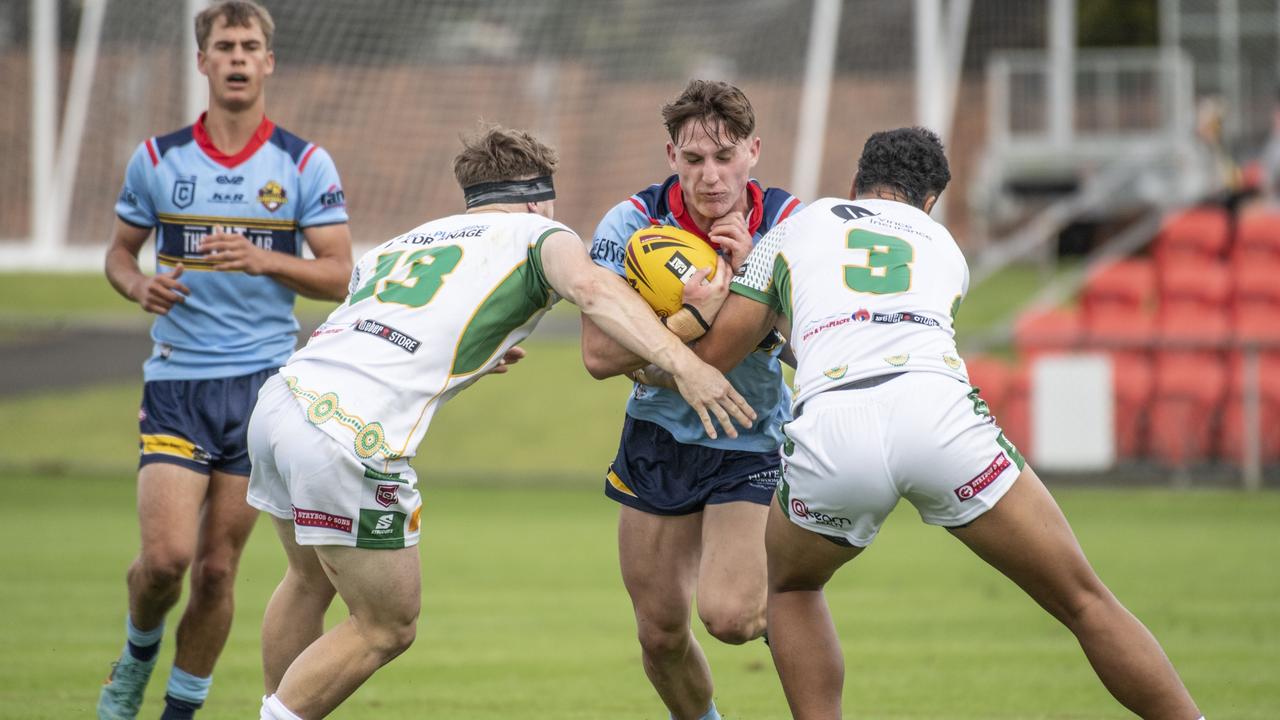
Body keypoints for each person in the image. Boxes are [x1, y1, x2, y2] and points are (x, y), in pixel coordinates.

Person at [665, 126, 1203, 719]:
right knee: (1084, 600)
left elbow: (715, 359)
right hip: (938, 413)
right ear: (929, 202)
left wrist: (713, 300)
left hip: (835, 423)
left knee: (792, 587)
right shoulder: (946, 247)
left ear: (855, 183)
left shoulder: (793, 228)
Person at [245, 124, 755, 720]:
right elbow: (593, 291)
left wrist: (473, 358)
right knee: (386, 625)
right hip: (349, 433)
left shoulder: (401, 243)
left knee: (308, 582)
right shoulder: (541, 233)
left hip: (283, 399)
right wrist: (685, 361)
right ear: (540, 197)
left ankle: (278, 704)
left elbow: (389, 329)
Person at [100, 2, 353, 718]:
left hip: (263, 389)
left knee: (216, 571)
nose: (238, 58)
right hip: (178, 378)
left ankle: (180, 712)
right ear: (202, 61)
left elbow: (339, 274)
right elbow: (119, 253)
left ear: (268, 63)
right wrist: (138, 283)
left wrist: (260, 258)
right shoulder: (157, 159)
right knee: (165, 562)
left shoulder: (304, 163)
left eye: (250, 47)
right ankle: (134, 660)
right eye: (224, 46)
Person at [581, 79, 802, 720]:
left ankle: (797, 615)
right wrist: (695, 315)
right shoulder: (632, 224)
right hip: (658, 439)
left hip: (750, 437)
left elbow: (808, 340)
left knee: (732, 617)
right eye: (694, 158)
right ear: (671, 154)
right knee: (660, 634)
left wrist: (754, 278)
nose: (711, 177)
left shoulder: (789, 223)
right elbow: (598, 355)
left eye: (725, 156)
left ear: (754, 151)